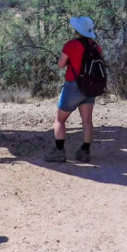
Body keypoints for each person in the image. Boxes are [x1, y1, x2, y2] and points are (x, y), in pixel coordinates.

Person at [45, 16, 101, 163]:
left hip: (73, 85)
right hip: (90, 87)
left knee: (59, 120)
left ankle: (59, 151)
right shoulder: (96, 47)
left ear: (78, 30)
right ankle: (85, 151)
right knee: (87, 121)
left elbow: (60, 64)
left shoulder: (71, 45)